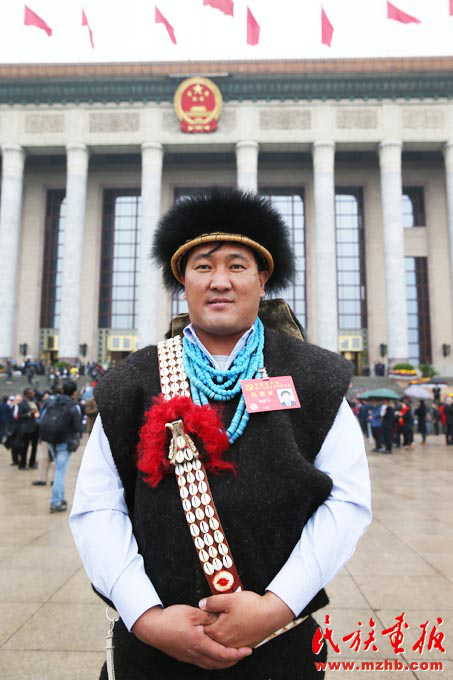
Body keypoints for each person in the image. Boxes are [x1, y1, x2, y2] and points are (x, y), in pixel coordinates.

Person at [70, 188, 371, 680]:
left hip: (278, 646)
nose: (220, 281)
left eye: (237, 265)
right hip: (153, 652)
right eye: (203, 266)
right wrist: (145, 616)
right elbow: (97, 506)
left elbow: (348, 500)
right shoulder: (131, 382)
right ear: (182, 280)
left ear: (262, 278)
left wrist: (276, 605)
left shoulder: (314, 377)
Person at [45, 381, 83, 512]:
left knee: (58, 469)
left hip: (51, 439)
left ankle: (60, 498)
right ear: (74, 393)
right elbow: (78, 427)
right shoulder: (74, 406)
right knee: (60, 472)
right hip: (64, 442)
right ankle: (55, 502)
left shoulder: (52, 402)